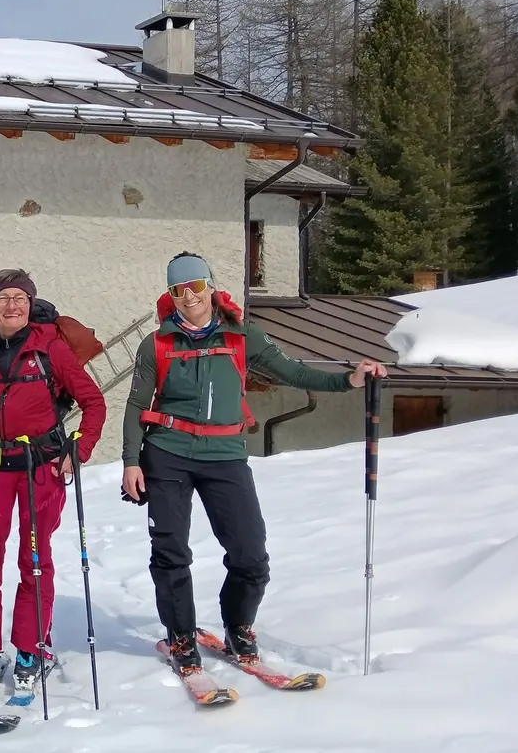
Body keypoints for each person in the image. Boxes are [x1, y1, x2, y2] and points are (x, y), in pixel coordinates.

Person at [121, 253, 388, 671]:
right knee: (171, 552)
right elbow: (137, 403)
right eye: (178, 290)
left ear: (210, 286)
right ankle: (179, 636)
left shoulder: (242, 336)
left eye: (195, 287)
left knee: (251, 555)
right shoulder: (156, 344)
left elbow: (294, 373)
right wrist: (130, 462)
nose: (188, 297)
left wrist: (348, 380)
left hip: (225, 457)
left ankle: (239, 625)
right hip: (168, 455)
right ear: (169, 295)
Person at [0, 269, 107, 700]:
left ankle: (31, 648)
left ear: (30, 304)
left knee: (34, 561)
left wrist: (79, 450)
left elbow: (93, 402)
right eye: (4, 298)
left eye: (20, 298)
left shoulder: (49, 348)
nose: (12, 305)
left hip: (41, 470)